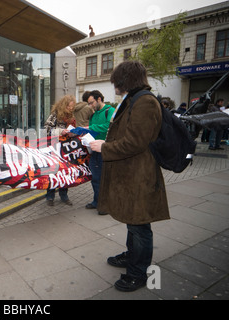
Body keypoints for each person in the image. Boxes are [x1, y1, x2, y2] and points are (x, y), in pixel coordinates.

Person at [90, 60, 170, 292]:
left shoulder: (144, 102)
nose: (113, 84)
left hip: (139, 175)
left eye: (116, 79)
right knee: (132, 220)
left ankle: (139, 272)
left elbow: (136, 142)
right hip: (130, 174)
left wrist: (104, 147)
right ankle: (131, 255)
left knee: (139, 224)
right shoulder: (134, 99)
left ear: (126, 79)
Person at [83, 90, 115, 215]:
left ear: (99, 99)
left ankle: (105, 204)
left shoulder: (110, 111)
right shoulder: (93, 114)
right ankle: (97, 201)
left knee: (104, 178)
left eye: (92, 103)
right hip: (94, 149)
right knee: (95, 177)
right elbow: (92, 130)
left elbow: (109, 126)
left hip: (105, 149)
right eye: (89, 104)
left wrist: (90, 128)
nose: (90, 106)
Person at [44, 95, 76, 206]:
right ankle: (50, 196)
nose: (71, 108)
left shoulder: (71, 115)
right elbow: (46, 129)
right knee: (53, 171)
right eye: (69, 106)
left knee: (65, 172)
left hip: (66, 148)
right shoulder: (55, 114)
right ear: (64, 105)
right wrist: (60, 131)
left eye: (72, 106)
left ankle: (64, 195)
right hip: (54, 147)